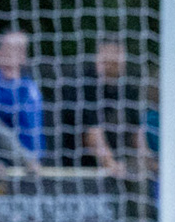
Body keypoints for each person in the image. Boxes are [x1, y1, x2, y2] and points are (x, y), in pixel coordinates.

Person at [57, 38, 139, 177]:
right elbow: (92, 134)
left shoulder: (127, 89)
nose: (112, 63)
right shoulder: (83, 86)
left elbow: (137, 132)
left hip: (118, 167)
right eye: (107, 59)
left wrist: (149, 162)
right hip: (79, 171)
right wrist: (111, 164)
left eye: (116, 59)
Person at [0, 31, 46, 157]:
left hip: (33, 154)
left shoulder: (29, 84)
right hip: (2, 156)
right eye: (10, 48)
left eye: (20, 49)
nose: (14, 54)